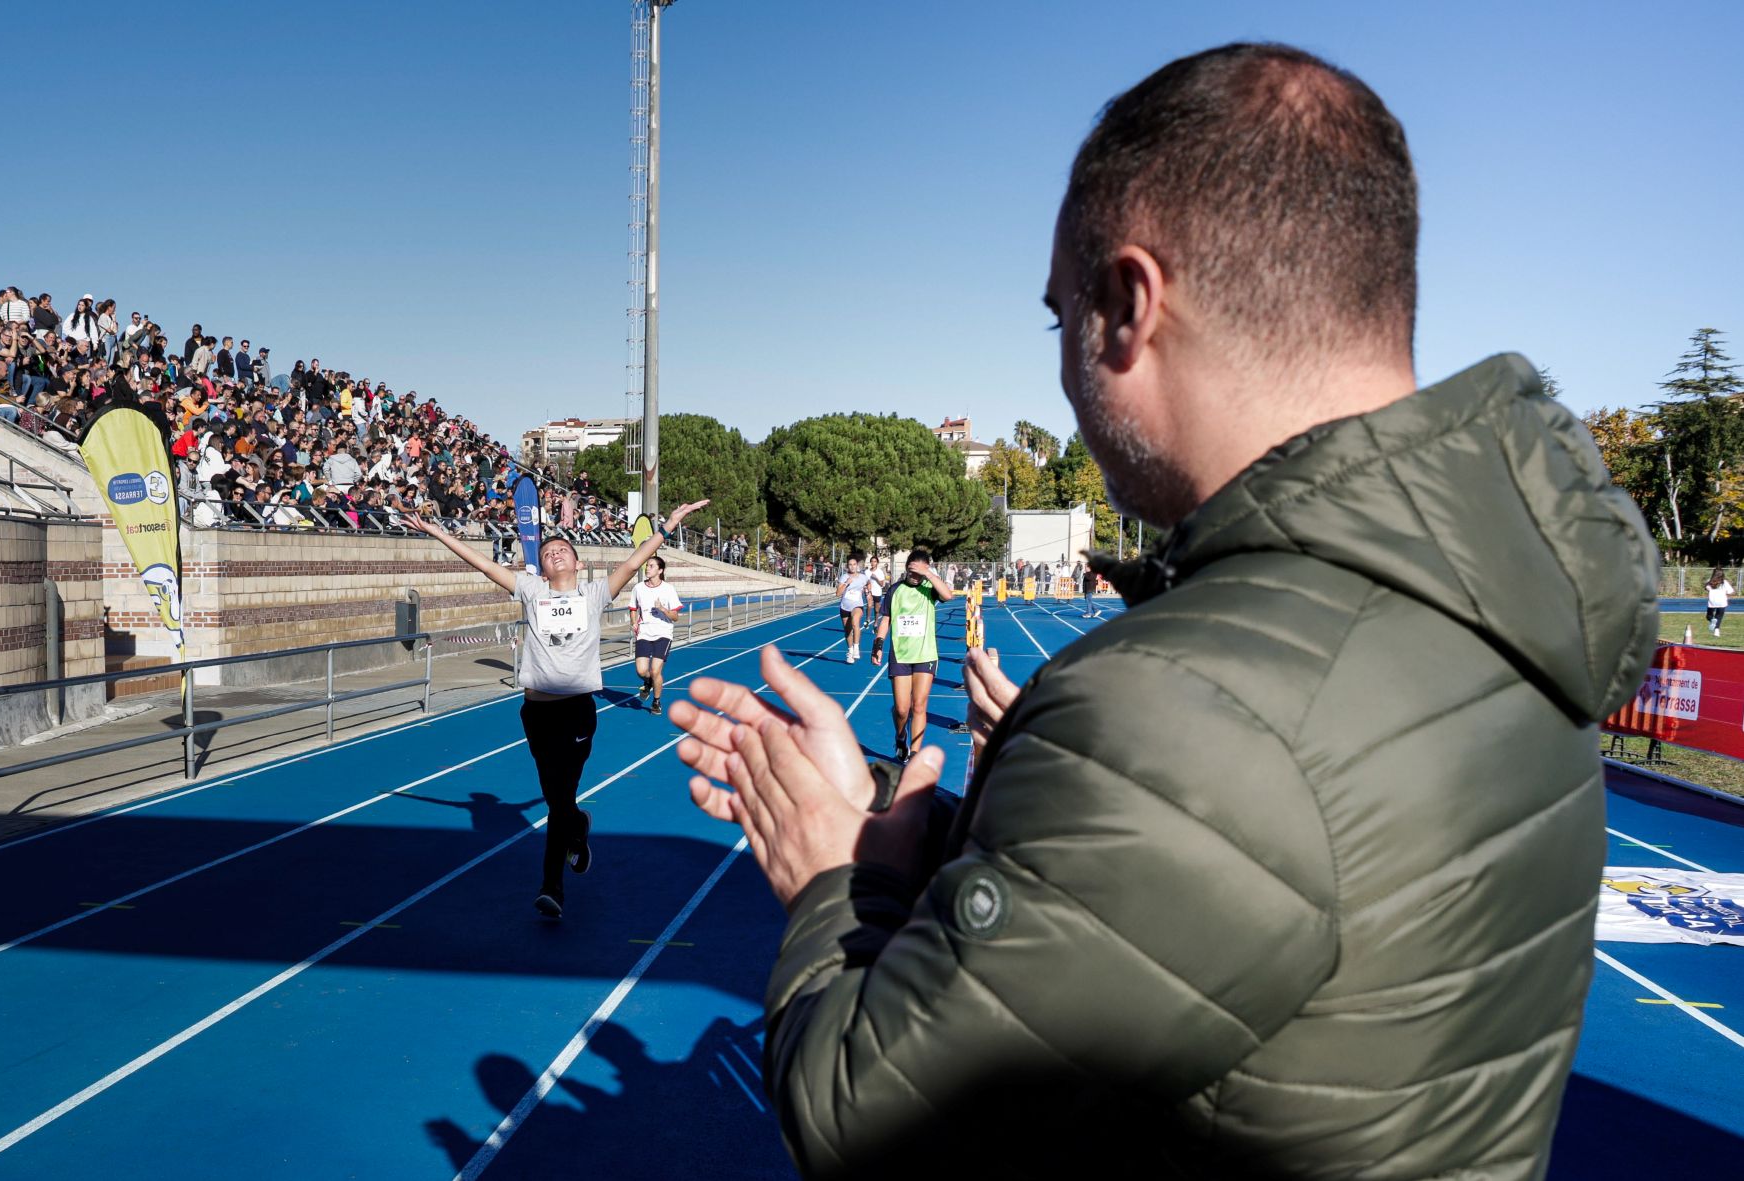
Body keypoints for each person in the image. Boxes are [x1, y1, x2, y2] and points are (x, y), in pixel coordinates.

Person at [667, 43, 1657, 1178]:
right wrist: (1013, 830)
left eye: (1059, 320)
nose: (1062, 373)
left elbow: (866, 1119)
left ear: (1130, 306)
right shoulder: (1507, 588)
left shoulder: (1186, 713)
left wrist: (840, 872)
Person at [414, 497, 707, 919]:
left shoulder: (595, 593)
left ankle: (553, 886)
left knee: (558, 799)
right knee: (558, 797)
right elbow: (483, 564)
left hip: (577, 711)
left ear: (576, 561)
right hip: (536, 712)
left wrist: (669, 524)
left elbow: (632, 561)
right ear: (542, 566)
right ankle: (577, 828)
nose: (554, 553)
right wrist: (438, 533)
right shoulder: (530, 590)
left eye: (562, 549)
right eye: (547, 552)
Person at [871, 548, 954, 761]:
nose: (914, 576)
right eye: (911, 571)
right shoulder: (895, 590)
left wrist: (929, 574)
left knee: (919, 705)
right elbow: (886, 619)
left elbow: (948, 595)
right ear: (906, 568)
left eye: (918, 573)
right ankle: (900, 737)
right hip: (900, 655)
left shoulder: (930, 588)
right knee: (901, 709)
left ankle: (915, 754)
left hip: (925, 654)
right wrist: (878, 644)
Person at [629, 554, 683, 716]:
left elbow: (675, 617)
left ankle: (656, 701)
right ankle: (648, 682)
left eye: (651, 566)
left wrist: (663, 610)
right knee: (641, 670)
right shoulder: (638, 588)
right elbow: (633, 607)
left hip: (663, 633)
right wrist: (634, 622)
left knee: (655, 670)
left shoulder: (668, 589)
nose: (647, 568)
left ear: (660, 570)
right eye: (647, 565)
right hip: (644, 632)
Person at [834, 554, 869, 664]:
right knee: (847, 630)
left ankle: (856, 647)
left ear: (857, 565)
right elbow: (838, 594)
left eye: (854, 564)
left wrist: (868, 593)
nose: (852, 566)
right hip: (845, 607)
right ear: (847, 566)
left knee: (855, 622)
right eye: (850, 565)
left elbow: (868, 583)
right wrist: (846, 583)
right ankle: (850, 651)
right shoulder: (844, 577)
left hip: (857, 605)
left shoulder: (863, 577)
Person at [1706, 568, 1733, 636]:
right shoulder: (1724, 582)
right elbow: (1730, 591)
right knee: (1719, 617)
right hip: (1722, 602)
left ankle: (1712, 620)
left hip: (1712, 602)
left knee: (1709, 616)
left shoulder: (1709, 581)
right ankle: (1717, 631)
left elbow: (1707, 588)